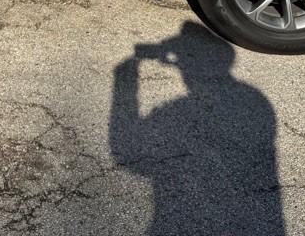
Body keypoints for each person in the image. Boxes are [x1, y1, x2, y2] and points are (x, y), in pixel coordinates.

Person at [109, 21, 285, 235]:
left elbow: (129, 153)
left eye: (180, 60)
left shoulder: (180, 108)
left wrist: (124, 80)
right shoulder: (255, 99)